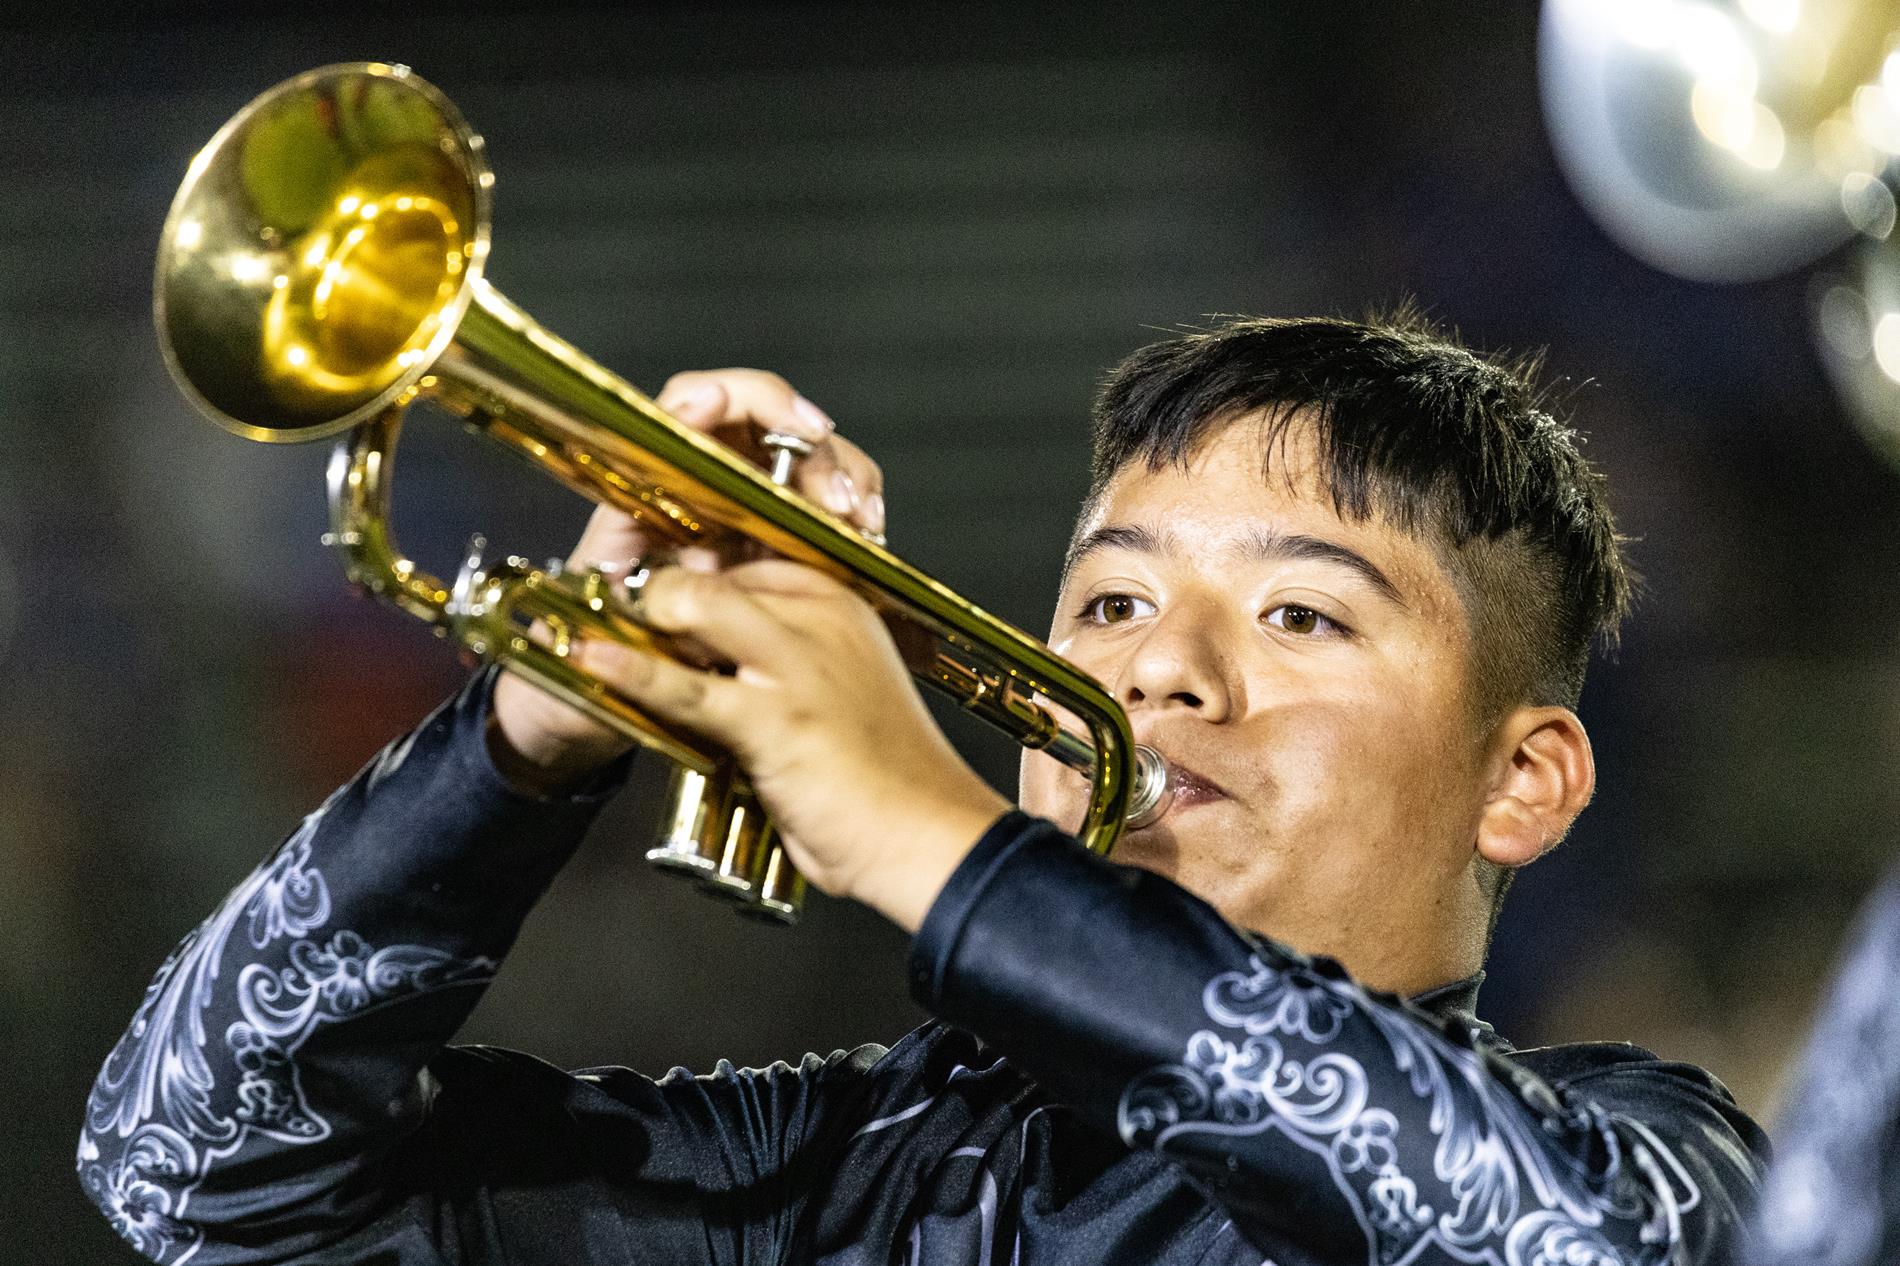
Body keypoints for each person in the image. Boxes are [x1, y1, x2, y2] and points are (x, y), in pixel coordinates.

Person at [78, 314, 1768, 1265]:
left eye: (1302, 612)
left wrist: (933, 837)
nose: (1157, 670)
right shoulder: (856, 1163)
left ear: (1524, 783)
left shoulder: (1665, 1156)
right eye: (1108, 599)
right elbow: (187, 1168)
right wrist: (531, 728)